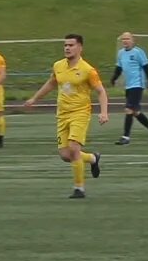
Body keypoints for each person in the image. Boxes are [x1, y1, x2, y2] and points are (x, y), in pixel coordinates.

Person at [25, 33, 108, 198]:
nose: (67, 48)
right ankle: (92, 158)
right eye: (65, 45)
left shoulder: (87, 70)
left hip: (80, 113)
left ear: (80, 47)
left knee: (73, 148)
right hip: (62, 114)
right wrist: (35, 98)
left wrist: (104, 112)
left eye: (71, 45)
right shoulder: (58, 66)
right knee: (65, 155)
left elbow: (100, 91)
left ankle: (79, 189)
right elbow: (51, 83)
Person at [111, 31, 148, 145]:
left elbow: (147, 68)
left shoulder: (138, 52)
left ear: (132, 41)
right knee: (135, 112)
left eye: (127, 39)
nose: (125, 41)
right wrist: (114, 78)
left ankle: (126, 137)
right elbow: (119, 68)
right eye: (123, 39)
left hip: (137, 85)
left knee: (128, 110)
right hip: (129, 86)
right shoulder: (121, 53)